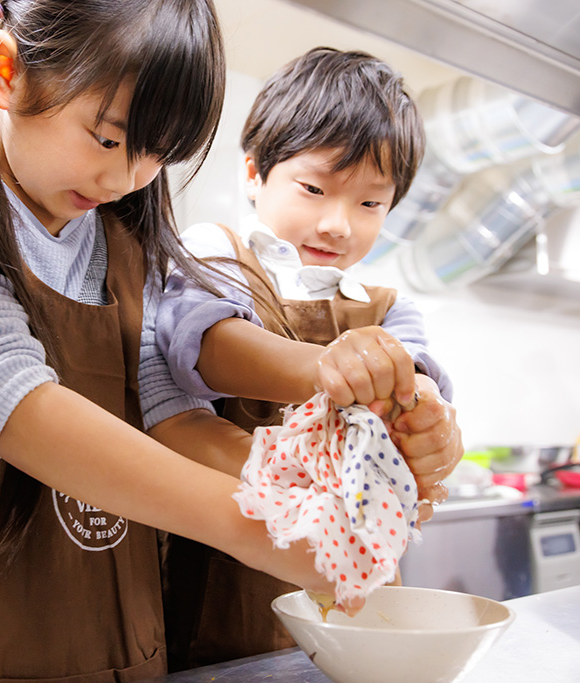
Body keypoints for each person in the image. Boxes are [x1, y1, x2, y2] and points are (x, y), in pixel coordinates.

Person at [0, 3, 342, 681]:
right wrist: (259, 526)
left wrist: (326, 495)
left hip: (88, 649)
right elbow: (8, 394)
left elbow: (172, 418)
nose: (126, 179)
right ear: (7, 71)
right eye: (107, 139)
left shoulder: (125, 244)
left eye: (157, 154)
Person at [155, 47, 464, 669]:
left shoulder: (386, 308)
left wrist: (433, 427)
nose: (337, 224)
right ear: (253, 174)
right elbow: (203, 347)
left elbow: (424, 379)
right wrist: (326, 366)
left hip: (359, 601)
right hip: (225, 581)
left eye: (370, 203)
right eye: (315, 188)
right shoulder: (215, 254)